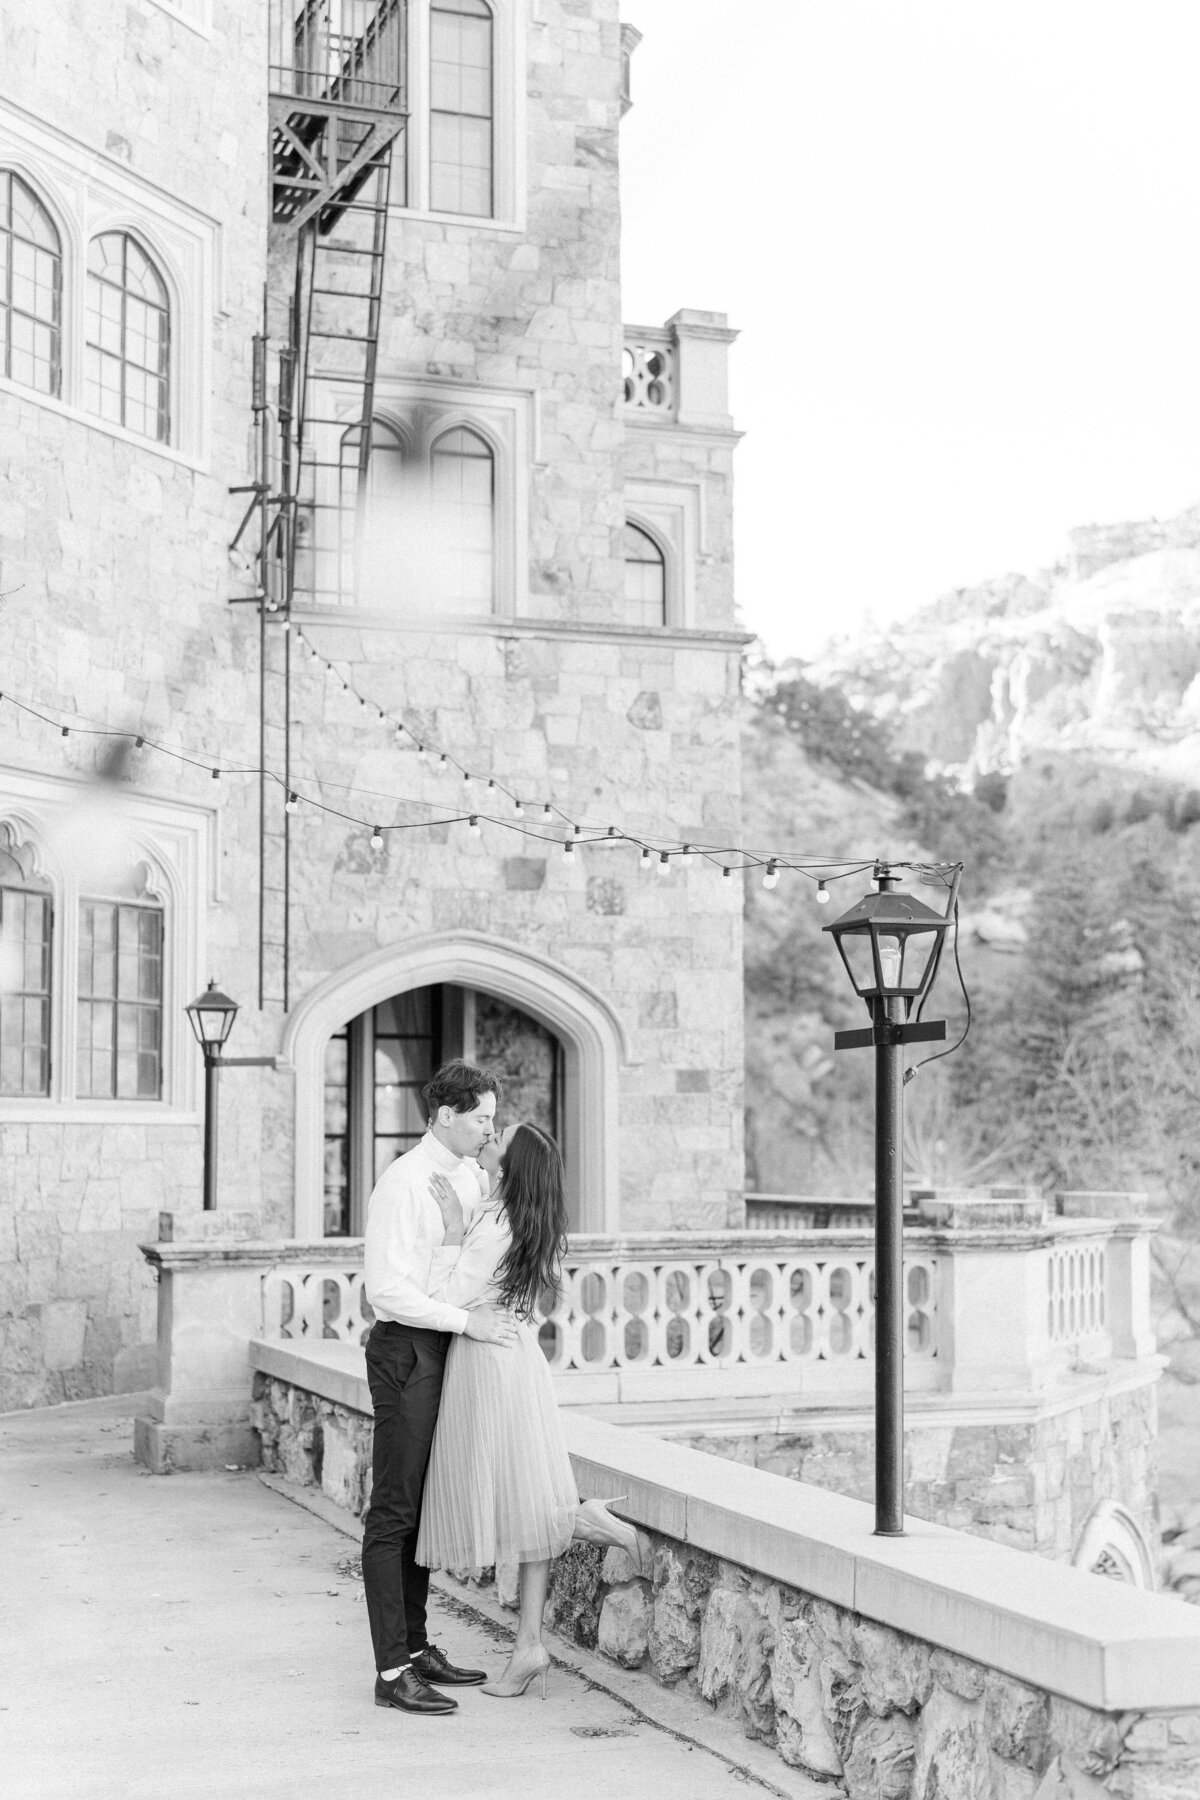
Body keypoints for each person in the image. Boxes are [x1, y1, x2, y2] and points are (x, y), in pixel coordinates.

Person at [415, 1118, 650, 1700]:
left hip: (486, 1363)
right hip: (517, 1360)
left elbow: (447, 1296)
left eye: (500, 1138)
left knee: (508, 1504)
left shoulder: (497, 1225)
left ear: (512, 1165)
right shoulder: (524, 1219)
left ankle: (577, 1523)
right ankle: (528, 1647)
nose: (490, 1137)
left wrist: (449, 1232)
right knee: (524, 1502)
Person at [361, 1059, 518, 1719]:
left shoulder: (473, 1176)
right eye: (481, 1117)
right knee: (395, 1512)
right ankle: (392, 1670)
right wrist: (467, 1322)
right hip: (408, 1351)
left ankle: (419, 1646)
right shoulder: (402, 1185)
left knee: (424, 1508)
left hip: (449, 1346)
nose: (490, 1128)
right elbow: (387, 1290)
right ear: (445, 1115)